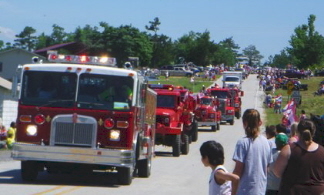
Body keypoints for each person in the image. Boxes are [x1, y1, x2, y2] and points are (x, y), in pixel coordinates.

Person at [273, 119, 324, 194]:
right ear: (314, 132)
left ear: (297, 132)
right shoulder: (322, 151)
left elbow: (277, 172)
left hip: (292, 191)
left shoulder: (289, 149)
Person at [232, 109, 272, 194]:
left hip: (245, 190)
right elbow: (267, 168)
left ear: (245, 123)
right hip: (260, 190)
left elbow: (238, 171)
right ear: (259, 122)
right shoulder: (266, 142)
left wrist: (233, 192)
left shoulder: (242, 143)